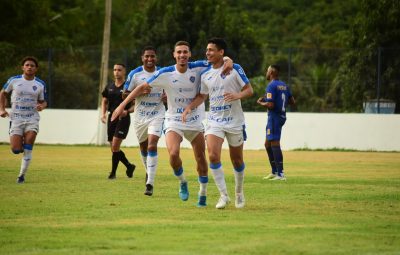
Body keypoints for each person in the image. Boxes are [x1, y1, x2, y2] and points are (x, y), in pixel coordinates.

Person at [112, 41, 233, 207]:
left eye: (185, 52)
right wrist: (121, 106)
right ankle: (182, 181)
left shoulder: (198, 67)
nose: (182, 55)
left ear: (189, 54)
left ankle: (202, 192)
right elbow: (141, 88)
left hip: (195, 118)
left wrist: (228, 60)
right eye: (179, 52)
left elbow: (220, 59)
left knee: (200, 158)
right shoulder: (165, 73)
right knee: (173, 153)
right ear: (174, 55)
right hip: (174, 119)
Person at [182, 38, 253, 209]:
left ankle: (239, 193)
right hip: (214, 121)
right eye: (207, 50)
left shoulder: (234, 68)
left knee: (237, 160)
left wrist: (238, 95)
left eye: (212, 50)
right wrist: (189, 107)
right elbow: (202, 96)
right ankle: (224, 195)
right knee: (213, 156)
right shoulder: (205, 73)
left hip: (235, 121)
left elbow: (249, 90)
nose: (208, 53)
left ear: (221, 52)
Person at [124, 46, 165, 196]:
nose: (150, 59)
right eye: (147, 56)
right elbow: (124, 94)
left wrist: (167, 96)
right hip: (140, 116)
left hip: (157, 114)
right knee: (143, 147)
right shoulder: (135, 74)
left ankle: (150, 183)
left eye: (152, 56)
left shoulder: (162, 72)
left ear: (156, 57)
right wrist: (139, 92)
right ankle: (148, 170)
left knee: (152, 144)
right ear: (142, 58)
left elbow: (171, 88)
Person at [0, 56, 47, 183]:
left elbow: (44, 102)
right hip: (16, 119)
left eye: (32, 65)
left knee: (28, 145)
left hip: (32, 118)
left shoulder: (40, 84)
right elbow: (3, 93)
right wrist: (2, 109)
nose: (29, 67)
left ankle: (21, 176)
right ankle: (19, 143)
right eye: (27, 65)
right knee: (16, 150)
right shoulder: (14, 80)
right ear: (23, 67)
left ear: (36, 69)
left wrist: (41, 106)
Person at [257, 64, 295, 181]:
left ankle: (281, 174)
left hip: (274, 117)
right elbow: (292, 101)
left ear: (272, 72)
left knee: (275, 143)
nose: (266, 73)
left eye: (267, 70)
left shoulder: (271, 85)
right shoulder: (284, 85)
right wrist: (280, 103)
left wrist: (260, 103)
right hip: (282, 116)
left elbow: (270, 105)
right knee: (267, 144)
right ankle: (274, 171)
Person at [101, 63, 136, 180]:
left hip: (123, 118)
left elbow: (135, 105)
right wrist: (103, 114)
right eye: (115, 70)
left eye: (119, 70)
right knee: (113, 148)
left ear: (124, 72)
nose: (117, 72)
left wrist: (127, 111)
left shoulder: (129, 87)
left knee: (115, 145)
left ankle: (113, 173)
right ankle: (129, 166)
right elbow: (104, 100)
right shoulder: (109, 86)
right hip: (112, 118)